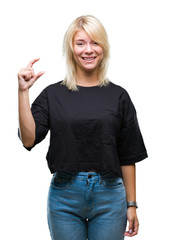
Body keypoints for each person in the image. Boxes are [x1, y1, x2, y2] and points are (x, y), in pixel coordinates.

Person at [17, 15, 147, 240]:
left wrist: (132, 204)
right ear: (71, 49)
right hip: (64, 197)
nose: (88, 50)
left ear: (103, 47)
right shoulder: (52, 94)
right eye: (81, 43)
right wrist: (23, 92)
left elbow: (128, 155)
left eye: (95, 42)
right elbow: (28, 139)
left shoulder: (118, 96)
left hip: (110, 195)